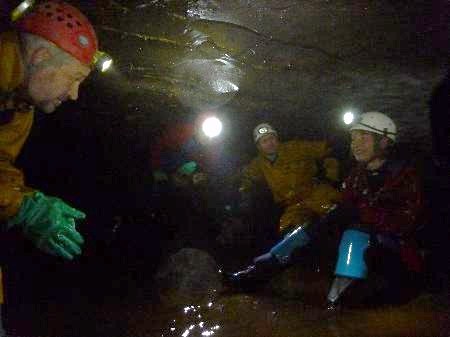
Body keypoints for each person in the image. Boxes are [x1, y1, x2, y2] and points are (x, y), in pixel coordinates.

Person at [229, 112, 425, 309]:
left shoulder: (402, 175)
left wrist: (356, 210)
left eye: (363, 137)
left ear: (383, 142)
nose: (355, 144)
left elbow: (406, 223)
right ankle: (259, 270)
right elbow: (246, 177)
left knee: (352, 231)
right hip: (310, 213)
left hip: (396, 253)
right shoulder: (357, 175)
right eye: (353, 138)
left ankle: (340, 298)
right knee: (312, 230)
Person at [1, 1, 107, 334]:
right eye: (74, 79)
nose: (75, 95)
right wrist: (22, 207)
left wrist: (30, 201)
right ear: (41, 58)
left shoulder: (18, 105)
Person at [239, 123, 341, 236]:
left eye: (271, 138)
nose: (269, 143)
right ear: (259, 146)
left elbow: (326, 149)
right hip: (293, 206)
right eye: (264, 141)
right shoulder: (258, 164)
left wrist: (331, 176)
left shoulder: (295, 147)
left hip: (315, 193)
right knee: (288, 232)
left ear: (277, 138)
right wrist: (243, 193)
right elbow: (246, 179)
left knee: (335, 213)